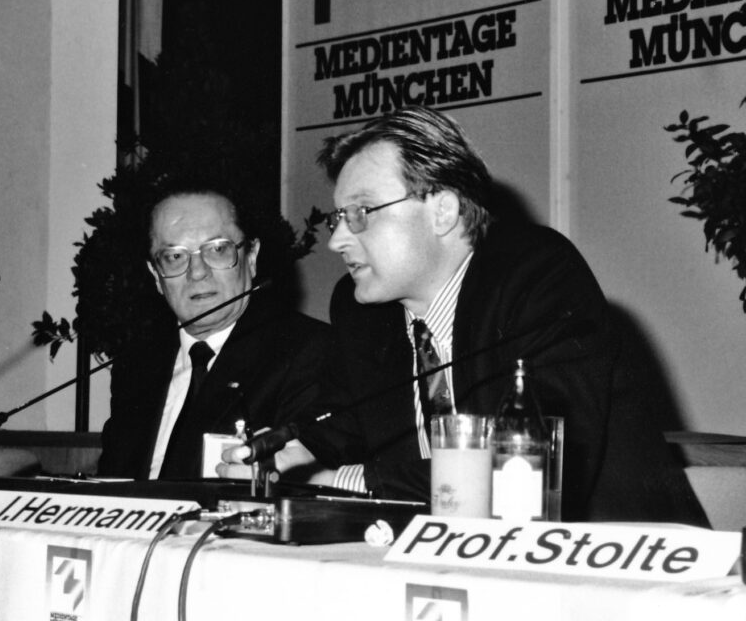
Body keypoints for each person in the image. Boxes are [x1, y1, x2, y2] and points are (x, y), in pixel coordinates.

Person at [234, 105, 704, 524]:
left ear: (442, 211)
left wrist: (344, 479)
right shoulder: (362, 311)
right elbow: (339, 426)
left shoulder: (537, 275)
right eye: (339, 218)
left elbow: (521, 471)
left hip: (612, 570)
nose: (337, 240)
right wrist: (283, 455)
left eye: (361, 212)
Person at [96, 181, 332, 480]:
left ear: (251, 257)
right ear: (156, 276)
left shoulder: (307, 352)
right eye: (174, 256)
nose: (197, 272)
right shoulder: (136, 366)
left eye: (217, 249)